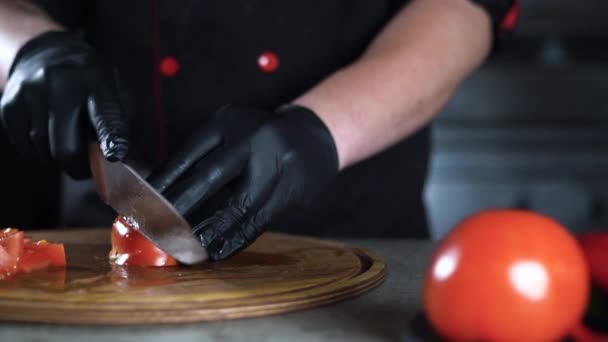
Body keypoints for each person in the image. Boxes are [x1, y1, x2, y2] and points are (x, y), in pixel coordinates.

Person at [0, 0, 517, 260]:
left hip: (358, 242)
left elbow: (461, 10)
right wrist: (30, 50)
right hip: (110, 237)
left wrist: (318, 132)